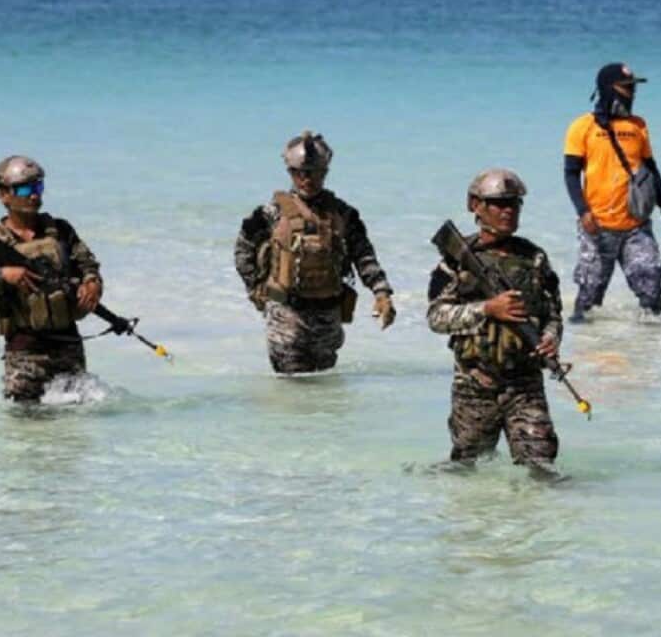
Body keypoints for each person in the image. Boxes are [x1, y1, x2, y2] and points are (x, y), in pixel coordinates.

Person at [427, 169, 563, 472]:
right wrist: (488, 309)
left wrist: (551, 341)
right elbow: (436, 317)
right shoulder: (457, 259)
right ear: (476, 205)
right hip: (474, 383)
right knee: (465, 471)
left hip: (525, 384)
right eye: (499, 204)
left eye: (514, 204)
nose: (508, 211)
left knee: (542, 469)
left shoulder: (534, 258)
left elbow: (553, 315)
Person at [234, 130, 396, 374]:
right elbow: (243, 251)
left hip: (328, 319)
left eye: (313, 173)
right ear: (291, 173)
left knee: (323, 394)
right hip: (286, 318)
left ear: (325, 173)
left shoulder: (344, 215)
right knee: (292, 391)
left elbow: (364, 256)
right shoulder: (269, 214)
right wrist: (256, 289)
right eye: (300, 173)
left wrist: (382, 293)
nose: (306, 179)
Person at [0, 156, 104, 402]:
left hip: (68, 346)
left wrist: (92, 283)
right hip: (25, 354)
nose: (34, 195)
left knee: (76, 429)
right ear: (3, 194)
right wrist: (2, 276)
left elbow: (88, 264)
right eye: (26, 188)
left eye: (38, 187)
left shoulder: (60, 231)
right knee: (24, 431)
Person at [563, 63, 661, 322]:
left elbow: (651, 170)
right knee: (589, 300)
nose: (632, 93)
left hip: (636, 226)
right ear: (607, 89)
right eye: (626, 87)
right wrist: (583, 211)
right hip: (597, 227)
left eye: (633, 87)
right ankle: (585, 349)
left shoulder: (638, 126)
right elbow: (571, 174)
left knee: (651, 287)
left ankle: (652, 349)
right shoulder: (582, 127)